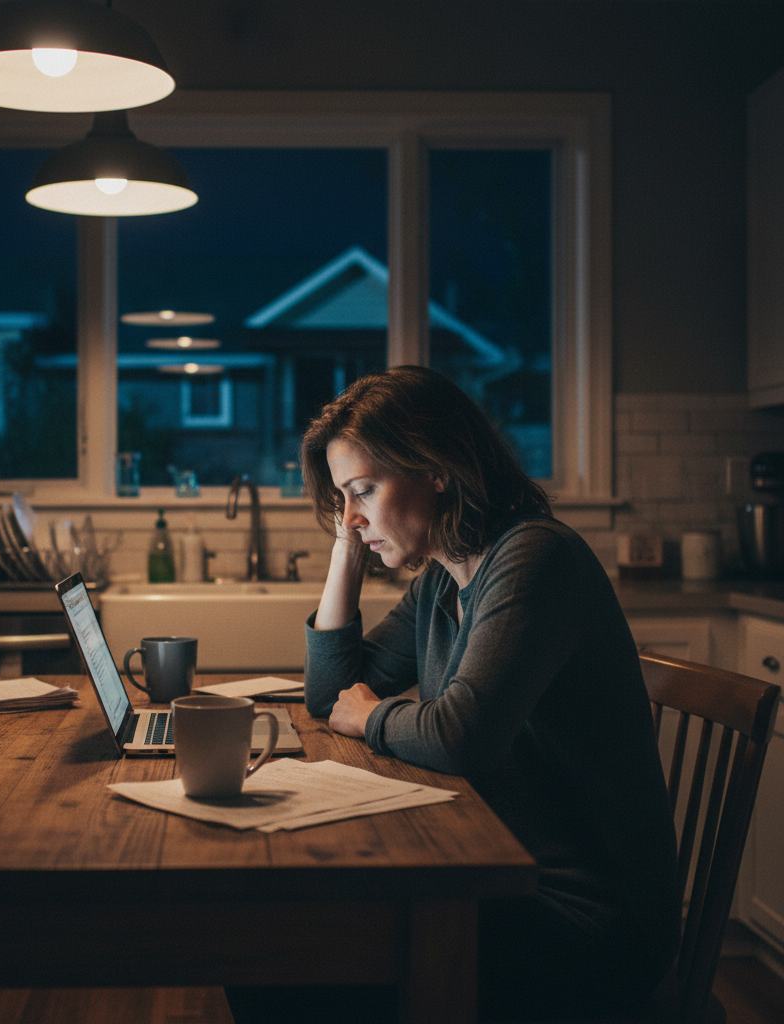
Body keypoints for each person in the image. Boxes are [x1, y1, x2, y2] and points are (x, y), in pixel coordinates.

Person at [227, 366, 680, 1024]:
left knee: (280, 965)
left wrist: (376, 715)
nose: (350, 518)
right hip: (502, 877)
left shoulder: (534, 559)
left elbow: (462, 737)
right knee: (280, 948)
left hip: (588, 925)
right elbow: (331, 696)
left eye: (364, 491)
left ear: (435, 467)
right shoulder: (444, 580)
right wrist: (345, 553)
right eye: (342, 499)